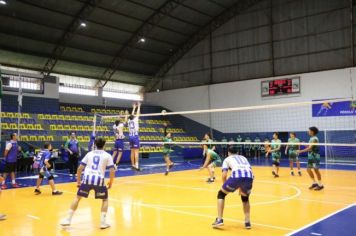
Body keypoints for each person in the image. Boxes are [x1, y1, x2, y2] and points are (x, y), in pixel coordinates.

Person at [60, 137, 115, 229]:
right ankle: (103, 222)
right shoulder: (107, 155)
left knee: (77, 198)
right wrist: (111, 182)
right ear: (104, 145)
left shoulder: (89, 154)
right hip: (99, 180)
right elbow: (112, 170)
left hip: (87, 179)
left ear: (95, 145)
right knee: (105, 200)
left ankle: (67, 220)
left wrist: (78, 181)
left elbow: (79, 169)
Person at [212, 146, 253, 229]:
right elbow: (248, 170)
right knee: (245, 198)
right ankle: (247, 222)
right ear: (237, 152)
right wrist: (240, 187)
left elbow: (224, 175)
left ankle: (219, 220)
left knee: (221, 194)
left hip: (237, 176)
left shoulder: (227, 159)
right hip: (249, 176)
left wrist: (225, 186)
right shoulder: (244, 157)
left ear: (228, 153)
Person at [128, 102, 141, 171]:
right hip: (135, 136)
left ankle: (132, 165)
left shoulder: (129, 121)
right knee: (136, 152)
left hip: (130, 137)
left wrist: (134, 108)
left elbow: (132, 115)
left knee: (132, 152)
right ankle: (137, 166)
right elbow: (137, 114)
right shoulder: (135, 120)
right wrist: (138, 106)